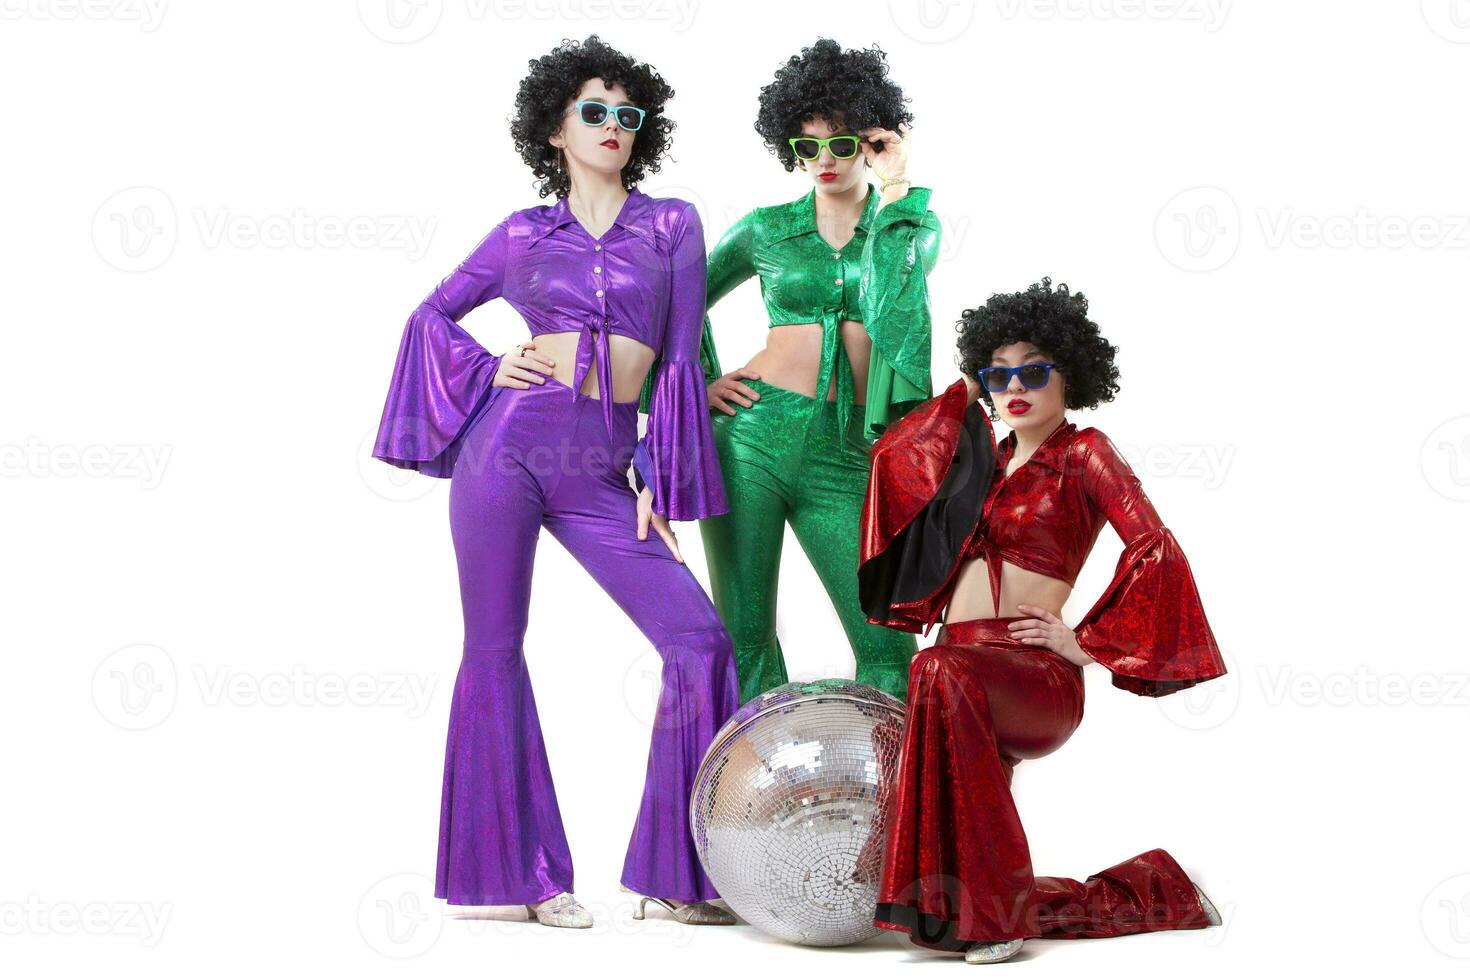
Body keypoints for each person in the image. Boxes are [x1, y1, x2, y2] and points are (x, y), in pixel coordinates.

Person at [371, 36, 738, 928]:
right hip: (507, 451)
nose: (614, 126)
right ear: (555, 129)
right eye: (594, 111)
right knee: (494, 649)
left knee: (699, 640)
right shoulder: (520, 235)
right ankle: (525, 878)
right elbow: (429, 315)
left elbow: (681, 363)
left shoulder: (672, 225)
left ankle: (685, 872)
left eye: (628, 114)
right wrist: (489, 367)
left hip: (601, 464)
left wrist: (660, 469)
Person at [858, 279, 1228, 962]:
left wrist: (1086, 643)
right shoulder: (984, 461)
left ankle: (998, 925)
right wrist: (961, 396)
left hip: (1030, 676)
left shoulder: (1084, 452)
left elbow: (1155, 544)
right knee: (965, 885)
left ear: (1071, 372)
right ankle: (1157, 891)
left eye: (1033, 370)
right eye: (999, 374)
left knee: (930, 666)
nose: (1014, 386)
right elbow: (891, 460)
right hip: (957, 676)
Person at [658, 38, 940, 703]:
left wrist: (896, 188)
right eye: (806, 147)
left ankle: (893, 799)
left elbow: (895, 300)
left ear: (871, 141)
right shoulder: (764, 229)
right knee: (746, 634)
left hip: (848, 454)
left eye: (841, 144)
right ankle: (761, 800)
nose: (823, 161)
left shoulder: (909, 226)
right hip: (751, 437)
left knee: (887, 645)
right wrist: (699, 381)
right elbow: (678, 296)